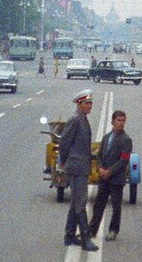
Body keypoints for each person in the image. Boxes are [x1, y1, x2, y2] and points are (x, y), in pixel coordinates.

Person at [57, 89, 98, 251]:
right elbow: (64, 142)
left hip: (80, 165)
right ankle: (86, 238)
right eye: (87, 103)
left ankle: (69, 235)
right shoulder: (75, 120)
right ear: (79, 104)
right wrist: (64, 161)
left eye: (91, 103)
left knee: (75, 201)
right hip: (76, 166)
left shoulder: (83, 119)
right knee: (81, 202)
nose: (90, 106)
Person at [89, 109, 133, 242]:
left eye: (123, 120)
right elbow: (100, 155)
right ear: (113, 121)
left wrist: (109, 172)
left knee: (116, 206)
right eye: (118, 120)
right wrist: (100, 168)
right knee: (99, 204)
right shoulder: (106, 137)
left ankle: (113, 230)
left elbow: (124, 160)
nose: (121, 123)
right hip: (104, 178)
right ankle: (92, 230)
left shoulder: (126, 140)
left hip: (116, 179)